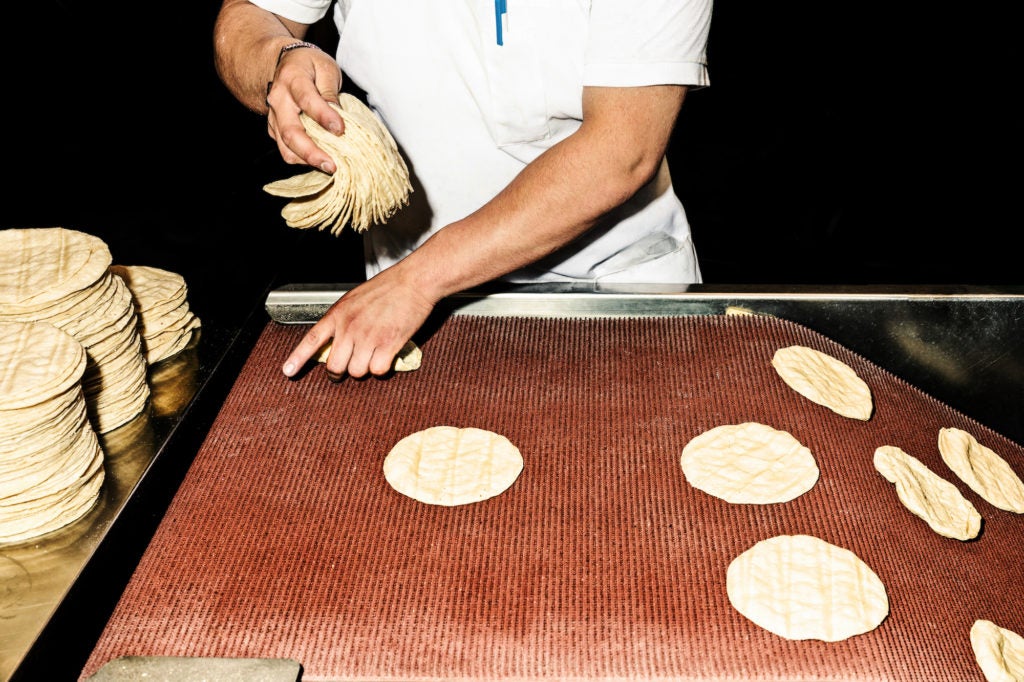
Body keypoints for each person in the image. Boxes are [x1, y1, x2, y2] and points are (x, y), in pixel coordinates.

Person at [213, 0, 712, 379]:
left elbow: (621, 150)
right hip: (405, 309)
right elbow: (250, 16)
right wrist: (280, 61)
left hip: (614, 290)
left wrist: (418, 281)